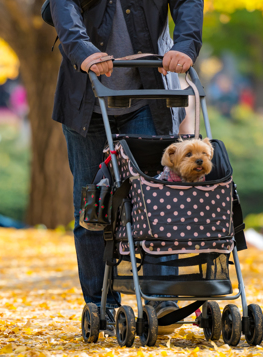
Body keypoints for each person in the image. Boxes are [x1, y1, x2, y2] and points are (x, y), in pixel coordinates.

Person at [51, 0, 204, 327]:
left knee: (158, 199)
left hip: (149, 98)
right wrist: (83, 51)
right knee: (92, 206)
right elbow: (63, 8)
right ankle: (101, 305)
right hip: (86, 103)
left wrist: (186, 45)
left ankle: (162, 300)